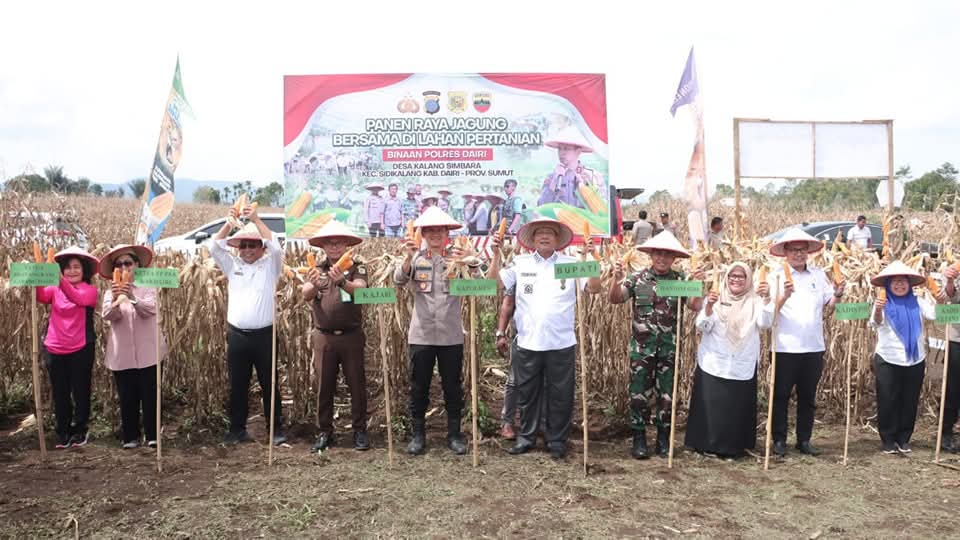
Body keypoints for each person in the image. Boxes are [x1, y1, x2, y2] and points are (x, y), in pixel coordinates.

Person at [496, 218, 601, 459]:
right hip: (528, 341)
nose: (544, 236)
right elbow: (494, 283)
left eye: (550, 233)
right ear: (532, 240)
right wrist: (495, 254)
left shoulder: (571, 263)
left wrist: (592, 257)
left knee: (560, 395)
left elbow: (594, 288)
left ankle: (556, 440)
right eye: (539, 233)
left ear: (558, 240)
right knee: (528, 394)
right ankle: (527, 437)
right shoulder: (520, 264)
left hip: (561, 342)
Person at [395, 207, 496, 455]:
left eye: (440, 230)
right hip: (422, 334)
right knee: (419, 386)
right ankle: (418, 435)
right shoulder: (416, 258)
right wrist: (408, 257)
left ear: (447, 232)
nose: (435, 234)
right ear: (423, 233)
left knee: (453, 386)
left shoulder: (458, 258)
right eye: (430, 230)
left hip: (451, 334)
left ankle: (454, 434)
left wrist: (473, 260)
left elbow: (484, 282)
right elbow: (398, 280)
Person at [609, 231, 704, 459]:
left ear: (674, 258)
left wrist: (699, 282)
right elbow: (615, 298)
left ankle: (663, 439)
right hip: (642, 350)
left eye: (667, 255)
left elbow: (694, 306)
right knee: (638, 395)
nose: (662, 258)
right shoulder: (636, 278)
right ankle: (639, 438)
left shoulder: (681, 280)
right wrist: (616, 279)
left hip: (669, 349)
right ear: (651, 255)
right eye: (658, 254)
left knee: (667, 396)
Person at [209, 204, 287, 446]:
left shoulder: (271, 266)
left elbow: (275, 246)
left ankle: (275, 430)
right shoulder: (233, 266)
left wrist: (255, 219)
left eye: (253, 245)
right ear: (239, 249)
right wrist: (229, 223)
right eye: (244, 245)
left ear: (260, 248)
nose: (248, 249)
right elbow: (214, 247)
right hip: (238, 336)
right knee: (238, 384)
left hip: (264, 335)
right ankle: (237, 429)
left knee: (269, 384)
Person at [765, 228, 845, 457]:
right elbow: (767, 310)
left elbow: (830, 304)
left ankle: (804, 440)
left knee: (808, 397)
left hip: (813, 347)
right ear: (785, 252)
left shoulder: (818, 275)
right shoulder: (775, 276)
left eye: (802, 250)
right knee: (780, 396)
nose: (799, 254)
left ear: (808, 253)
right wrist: (783, 296)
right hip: (784, 347)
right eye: (794, 250)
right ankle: (779, 440)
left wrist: (838, 294)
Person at [686, 263, 771, 458]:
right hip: (714, 361)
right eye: (732, 275)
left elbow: (765, 324)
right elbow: (702, 326)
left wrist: (767, 299)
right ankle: (705, 445)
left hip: (742, 361)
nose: (736, 279)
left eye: (741, 276)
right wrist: (708, 306)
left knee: (736, 407)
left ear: (748, 279)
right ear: (726, 278)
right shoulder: (715, 298)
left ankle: (734, 447)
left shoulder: (756, 301)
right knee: (711, 406)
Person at [302, 221, 370, 452]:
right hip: (324, 337)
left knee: (356, 384)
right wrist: (314, 284)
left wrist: (341, 280)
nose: (334, 247)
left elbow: (361, 290)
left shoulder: (357, 267)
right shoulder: (317, 269)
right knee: (324, 386)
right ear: (323, 246)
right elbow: (305, 295)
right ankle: (324, 432)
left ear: (346, 245)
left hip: (351, 336)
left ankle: (359, 430)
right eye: (329, 243)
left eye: (338, 242)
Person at [869, 261, 943, 454]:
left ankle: (904, 438)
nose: (900, 285)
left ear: (909, 284)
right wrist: (877, 310)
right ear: (888, 285)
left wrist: (942, 301)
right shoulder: (883, 303)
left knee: (909, 400)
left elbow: (936, 315)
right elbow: (876, 324)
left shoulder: (918, 302)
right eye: (895, 282)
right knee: (887, 399)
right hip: (888, 358)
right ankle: (887, 439)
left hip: (915, 359)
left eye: (903, 282)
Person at [100, 244, 165, 449]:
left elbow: (151, 310)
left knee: (150, 394)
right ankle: (130, 436)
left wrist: (133, 297)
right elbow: (108, 316)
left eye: (128, 263)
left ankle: (153, 435)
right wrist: (118, 299)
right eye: (118, 265)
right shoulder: (110, 292)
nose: (124, 267)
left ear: (137, 265)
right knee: (127, 396)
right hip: (123, 353)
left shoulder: (149, 286)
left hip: (149, 350)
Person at [38, 246, 99, 449]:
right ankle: (62, 432)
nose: (71, 271)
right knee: (60, 392)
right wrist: (37, 277)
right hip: (54, 347)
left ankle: (79, 431)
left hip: (80, 347)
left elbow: (77, 298)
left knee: (80, 391)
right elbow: (41, 296)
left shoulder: (89, 291)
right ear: (62, 270)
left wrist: (59, 279)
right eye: (67, 268)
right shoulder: (55, 289)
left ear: (84, 271)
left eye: (76, 267)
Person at [537, 127, 603, 207]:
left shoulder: (592, 176)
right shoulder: (551, 177)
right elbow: (541, 206)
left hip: (584, 219)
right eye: (560, 149)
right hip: (559, 218)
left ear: (578, 151)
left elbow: (603, 207)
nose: (562, 153)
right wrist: (554, 181)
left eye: (566, 149)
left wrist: (588, 186)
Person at [939, 264, 960, 453]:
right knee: (952, 391)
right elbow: (949, 296)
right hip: (957, 340)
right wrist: (951, 281)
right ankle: (946, 433)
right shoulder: (954, 270)